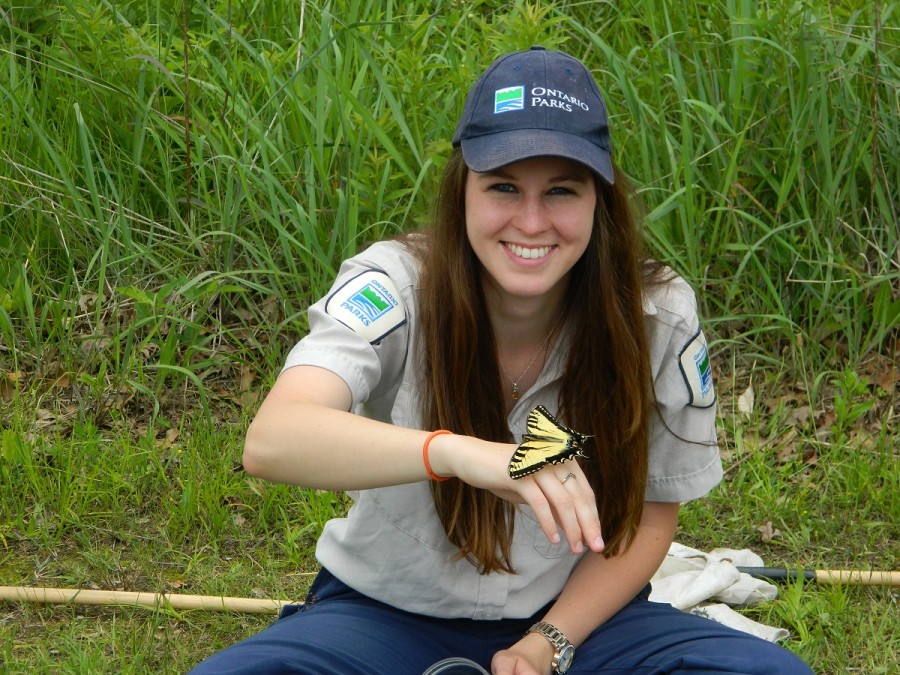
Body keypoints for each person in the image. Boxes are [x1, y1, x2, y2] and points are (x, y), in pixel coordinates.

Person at [191, 47, 813, 675]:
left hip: (580, 621)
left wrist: (548, 644)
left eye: (562, 190)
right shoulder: (394, 283)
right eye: (504, 187)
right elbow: (273, 439)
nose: (532, 222)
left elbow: (652, 516)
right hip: (380, 614)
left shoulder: (659, 314)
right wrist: (461, 454)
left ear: (600, 199)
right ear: (461, 190)